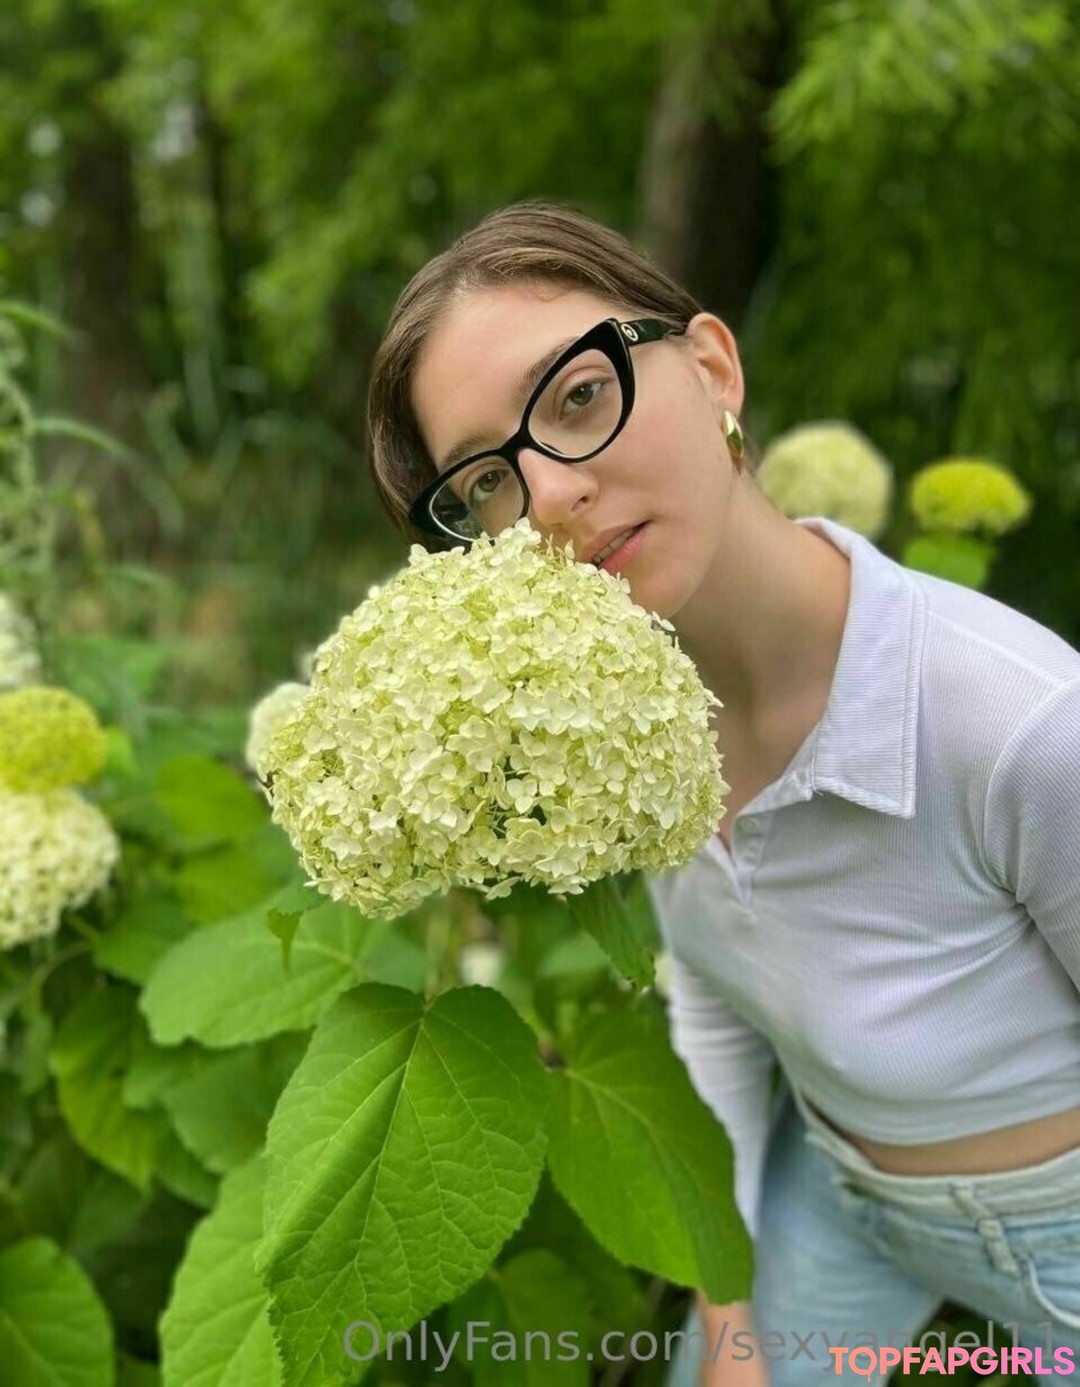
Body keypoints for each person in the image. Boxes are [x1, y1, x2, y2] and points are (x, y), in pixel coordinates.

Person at [365, 200, 1080, 1385]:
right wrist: (727, 1310)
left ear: (712, 371)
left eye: (577, 396)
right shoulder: (621, 730)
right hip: (838, 1194)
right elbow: (713, 993)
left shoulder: (1019, 724)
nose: (547, 497)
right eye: (486, 482)